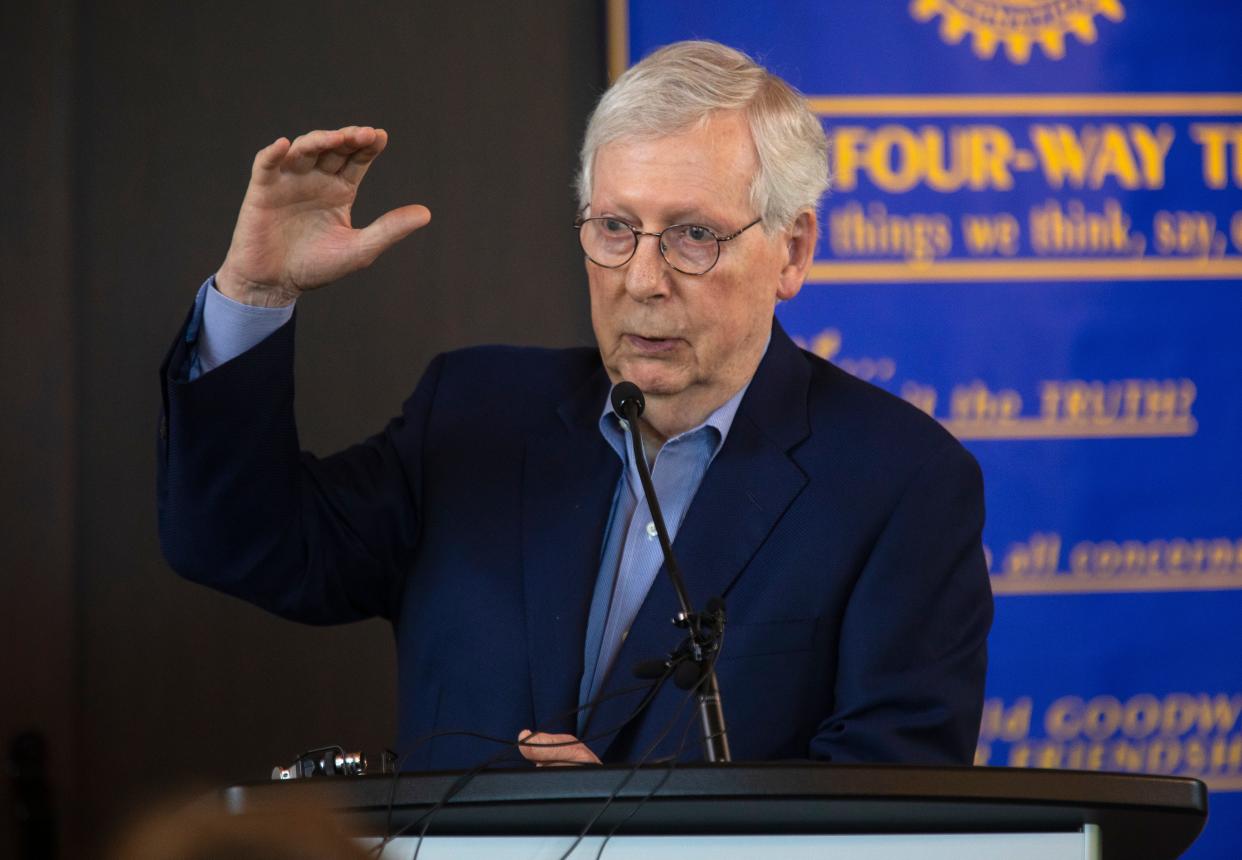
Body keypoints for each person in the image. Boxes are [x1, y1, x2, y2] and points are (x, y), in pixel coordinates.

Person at [158, 41, 992, 770]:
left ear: (793, 250)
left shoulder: (900, 483)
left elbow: (887, 813)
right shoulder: (476, 415)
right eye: (615, 227)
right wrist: (257, 291)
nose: (642, 279)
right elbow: (237, 544)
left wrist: (627, 834)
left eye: (694, 235)